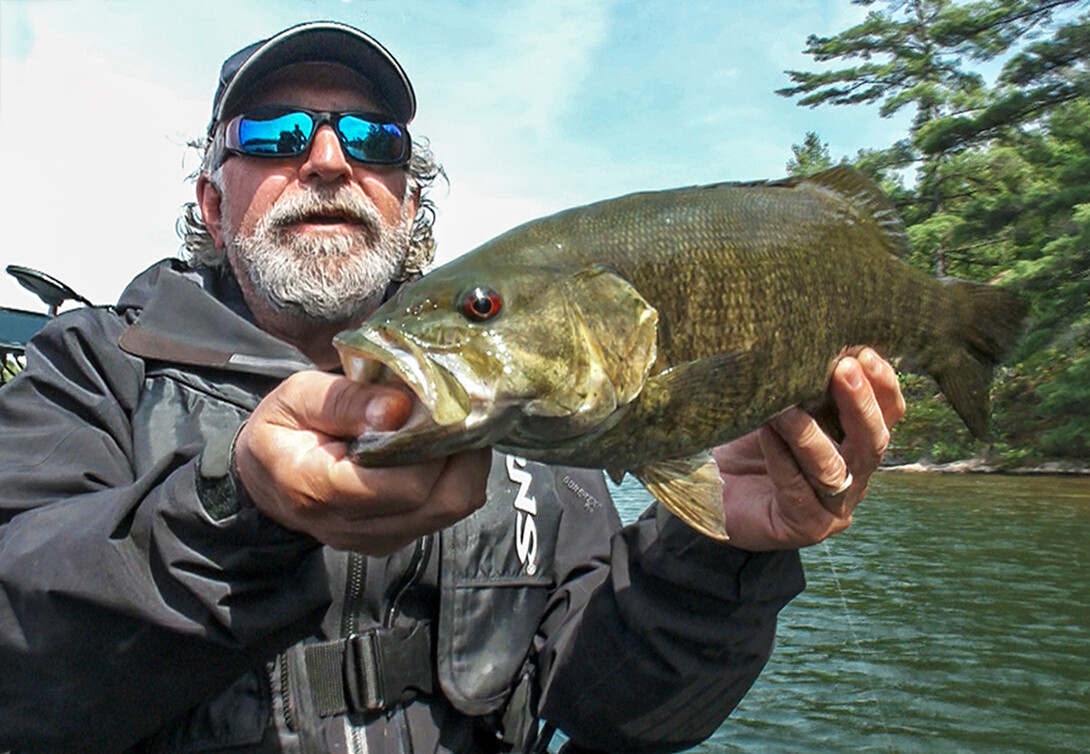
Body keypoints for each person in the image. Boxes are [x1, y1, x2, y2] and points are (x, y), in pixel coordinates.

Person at [0, 21, 905, 754]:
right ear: (210, 200)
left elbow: (615, 712)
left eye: (372, 139)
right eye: (274, 133)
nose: (326, 158)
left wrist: (717, 558)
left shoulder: (526, 399)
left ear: (407, 200)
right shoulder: (92, 369)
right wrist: (234, 511)